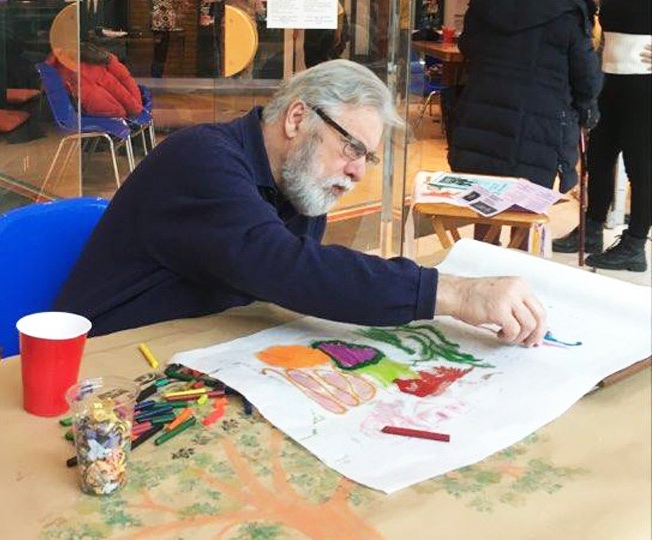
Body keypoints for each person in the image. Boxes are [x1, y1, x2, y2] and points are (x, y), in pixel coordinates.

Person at [55, 60, 547, 346]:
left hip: (192, 354)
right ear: (296, 119)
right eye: (353, 148)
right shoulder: (201, 161)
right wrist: (455, 294)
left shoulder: (295, 183)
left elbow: (299, 283)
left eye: (368, 158)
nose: (358, 171)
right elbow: (289, 269)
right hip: (101, 373)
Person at [447, 0, 602, 243]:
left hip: (484, 113)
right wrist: (587, 110)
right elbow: (586, 75)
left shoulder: (483, 6)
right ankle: (516, 261)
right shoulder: (568, 12)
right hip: (540, 125)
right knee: (525, 204)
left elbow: (468, 46)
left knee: (485, 199)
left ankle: (482, 260)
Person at [553, 0, 651, 272]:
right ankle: (592, 230)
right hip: (608, 82)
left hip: (644, 88)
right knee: (599, 160)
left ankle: (635, 246)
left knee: (641, 169)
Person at [47, 43, 143, 118]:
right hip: (109, 116)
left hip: (98, 114)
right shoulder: (98, 70)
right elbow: (125, 100)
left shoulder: (79, 70)